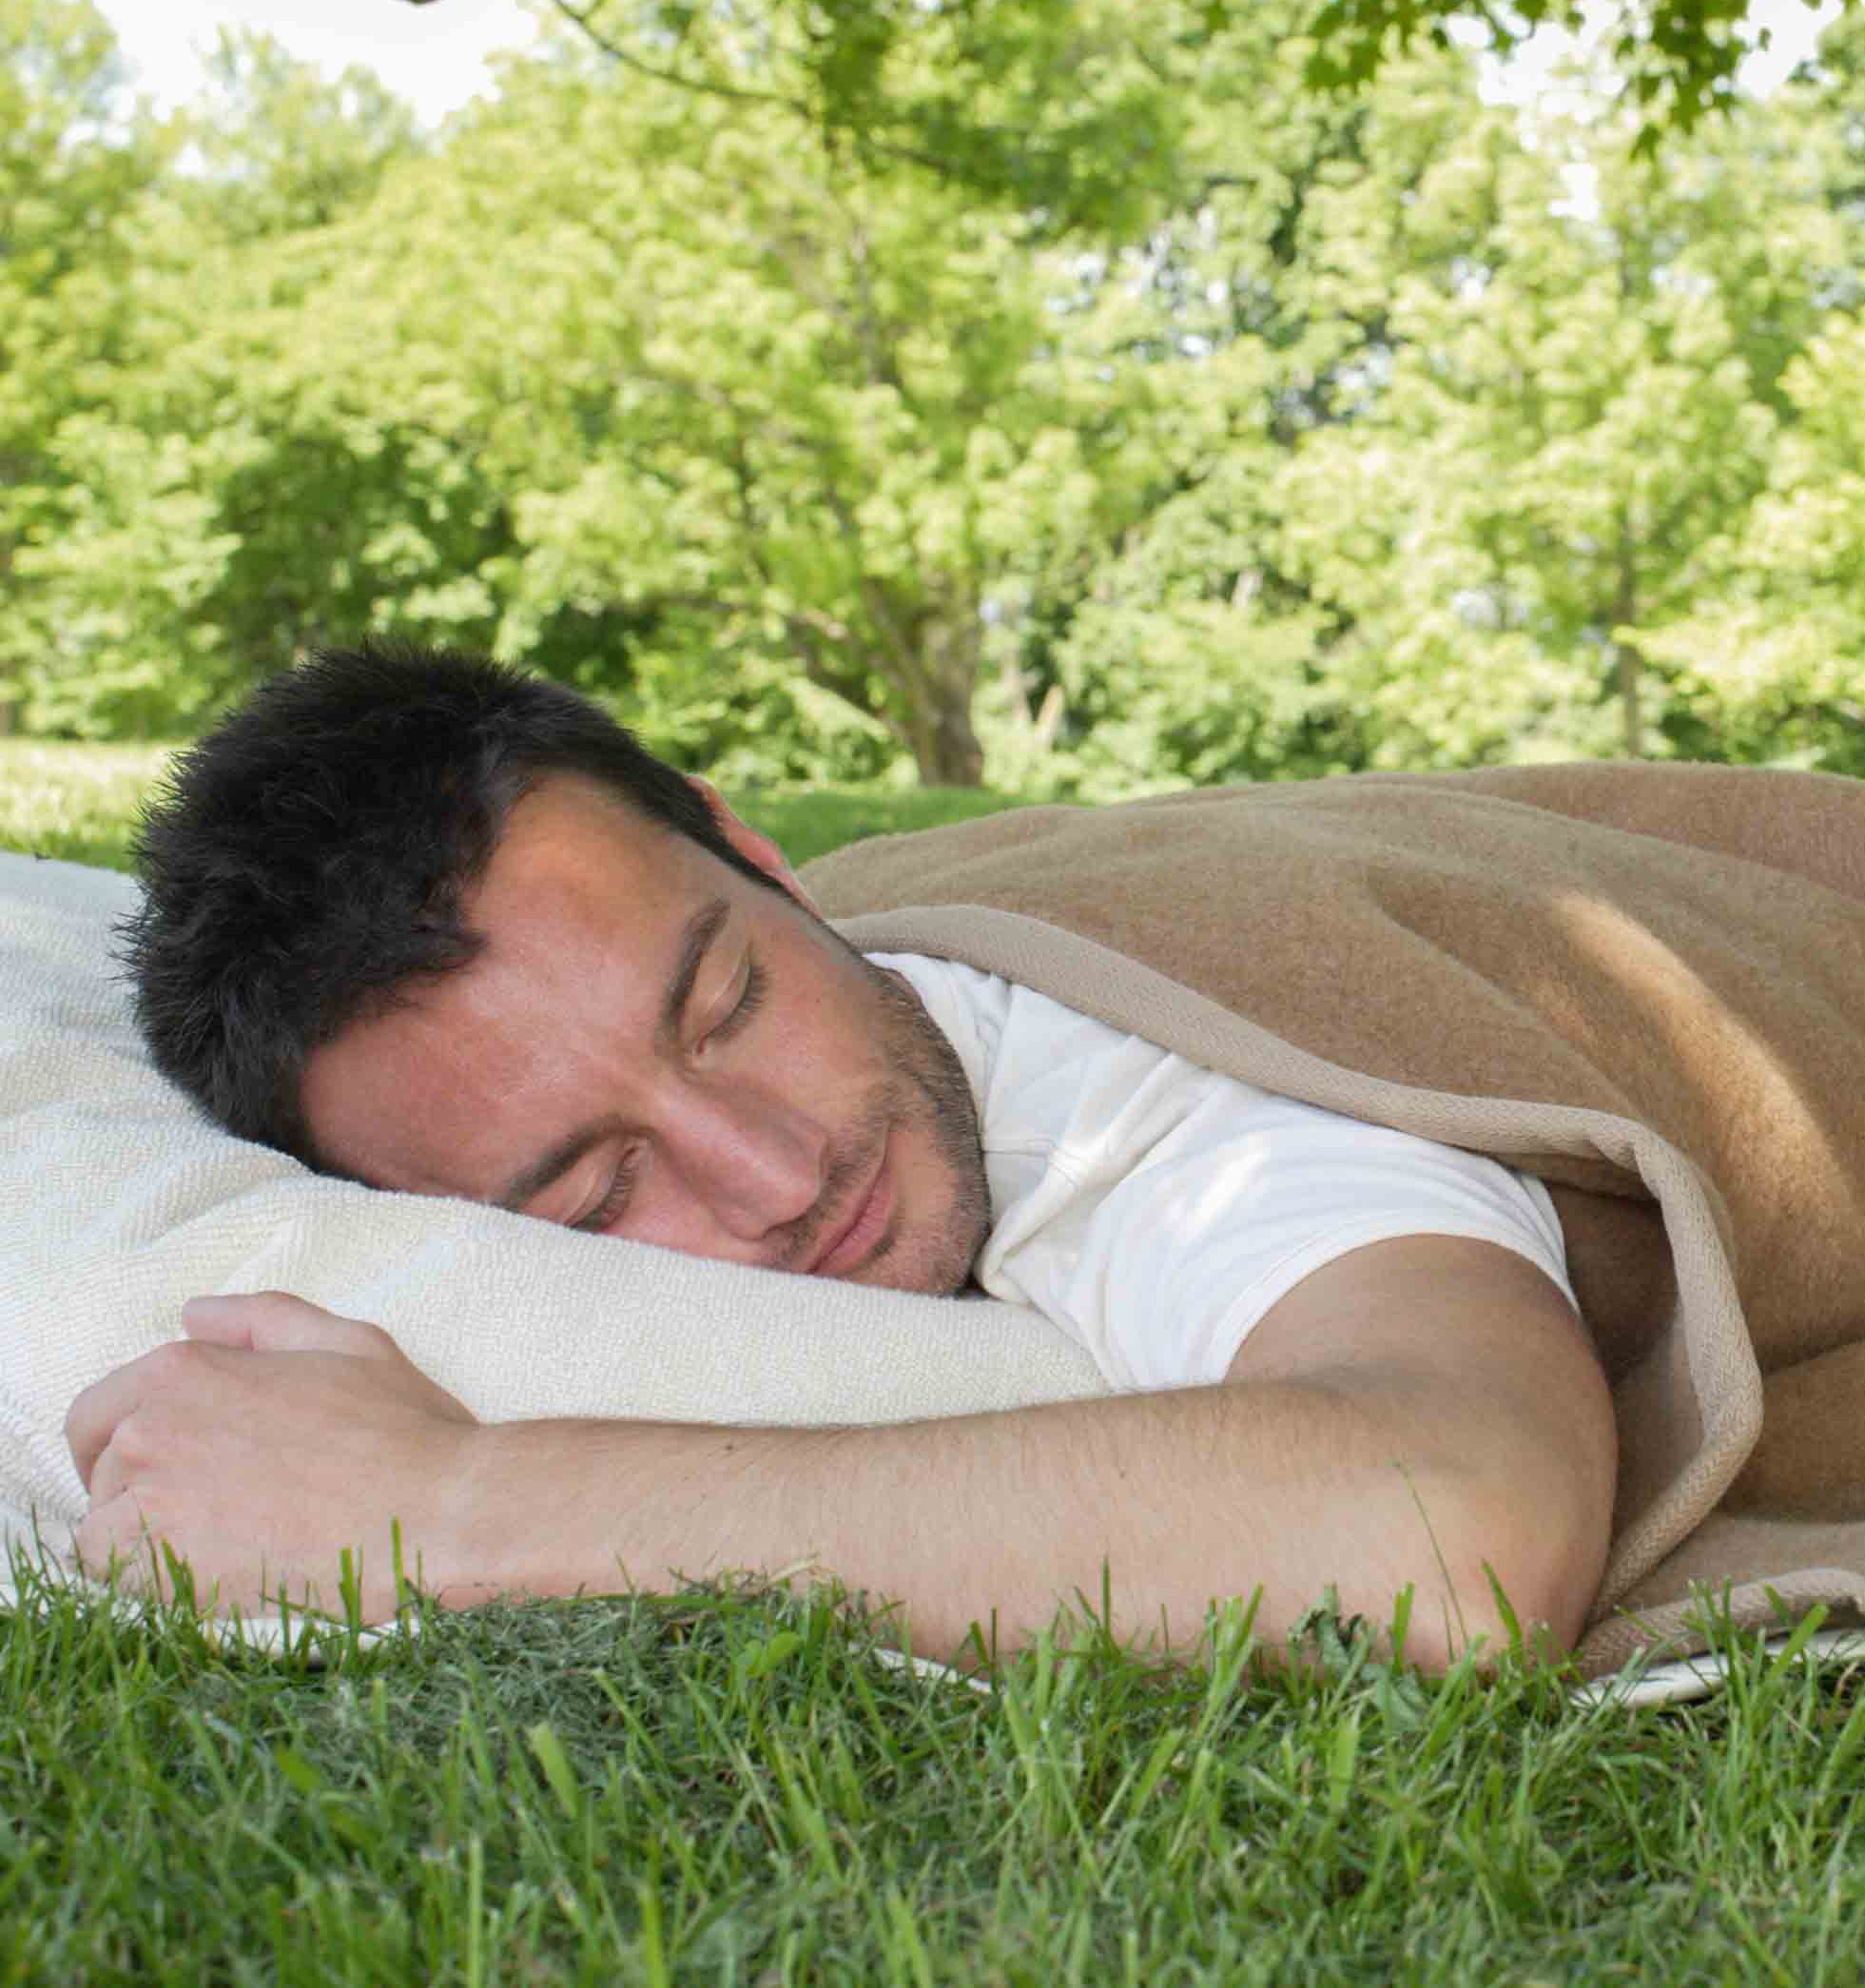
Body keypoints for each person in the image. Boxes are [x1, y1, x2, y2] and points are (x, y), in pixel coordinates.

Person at [71, 646, 1617, 1665]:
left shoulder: (1163, 1114)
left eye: (728, 1002)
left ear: (757, 855)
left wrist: (457, 1502)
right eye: (598, 1194)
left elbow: (1456, 1531)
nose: (772, 1173)